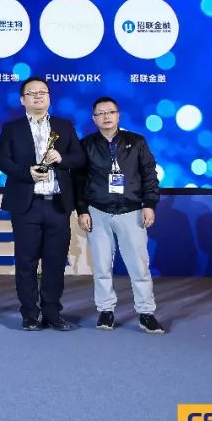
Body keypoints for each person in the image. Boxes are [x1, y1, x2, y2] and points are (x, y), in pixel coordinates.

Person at [0, 77, 84, 331]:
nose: (37, 96)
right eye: (31, 93)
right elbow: (2, 161)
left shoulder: (64, 126)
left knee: (55, 261)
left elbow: (79, 158)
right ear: (22, 100)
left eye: (42, 92)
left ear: (49, 97)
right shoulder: (12, 128)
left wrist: (62, 158)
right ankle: (29, 313)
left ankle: (52, 312)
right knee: (26, 261)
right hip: (27, 204)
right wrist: (27, 173)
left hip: (57, 203)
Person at [76, 97, 164, 334]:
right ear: (94, 119)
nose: (106, 116)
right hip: (98, 211)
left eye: (110, 112)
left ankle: (146, 313)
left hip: (131, 211)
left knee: (139, 267)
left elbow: (149, 174)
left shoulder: (136, 142)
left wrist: (149, 204)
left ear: (118, 115)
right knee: (102, 266)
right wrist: (82, 210)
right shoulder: (86, 145)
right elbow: (79, 181)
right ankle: (105, 311)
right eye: (100, 113)